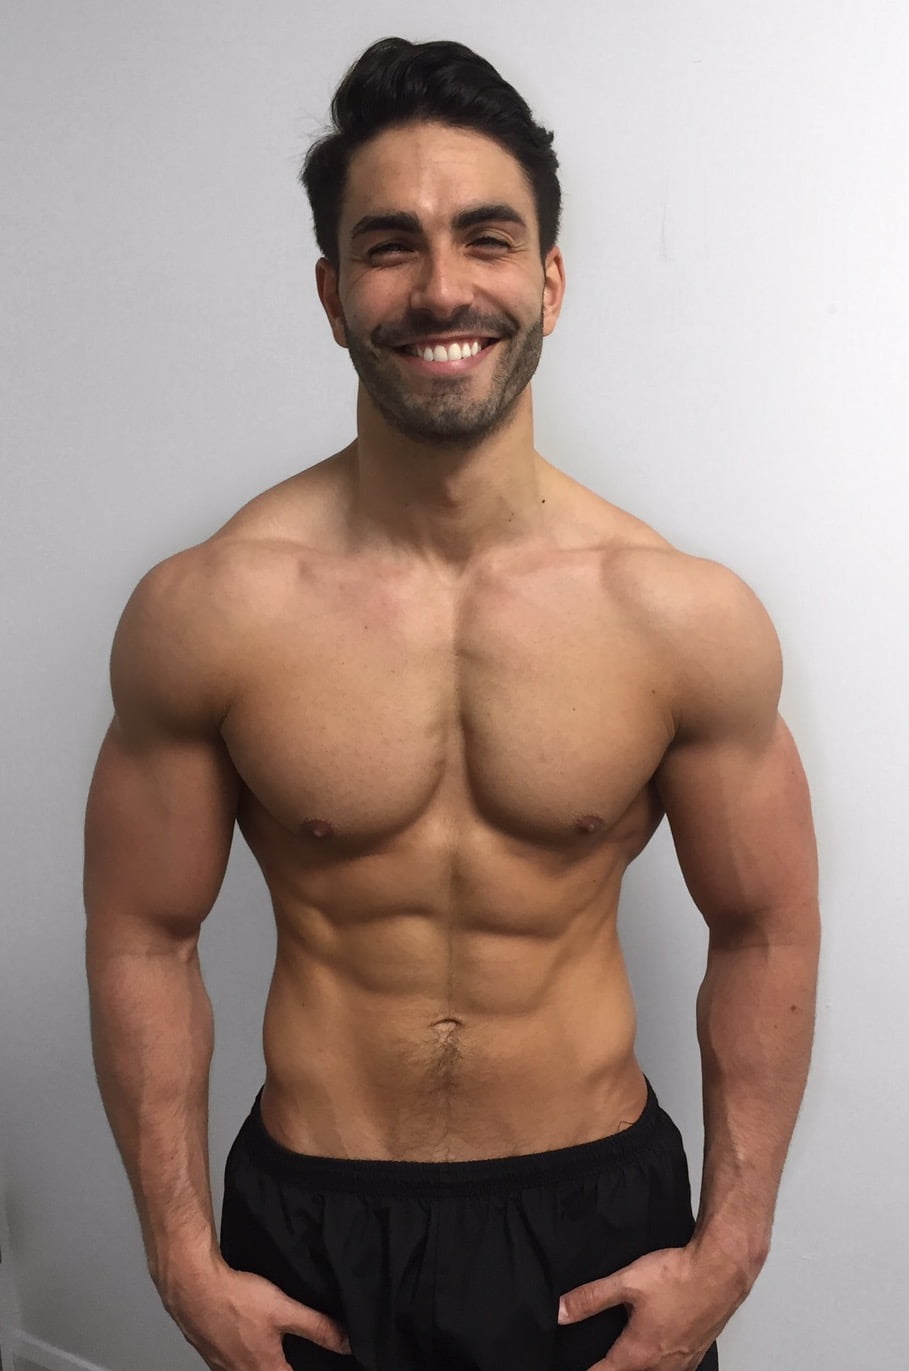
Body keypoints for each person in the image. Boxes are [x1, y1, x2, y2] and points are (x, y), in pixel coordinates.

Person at [83, 35, 820, 1371]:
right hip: (308, 1230)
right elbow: (142, 937)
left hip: (595, 1221)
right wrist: (185, 1261)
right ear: (329, 291)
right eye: (388, 245)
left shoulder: (680, 616)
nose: (440, 288)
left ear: (546, 278)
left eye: (484, 239)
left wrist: (730, 1251)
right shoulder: (210, 610)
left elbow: (765, 931)